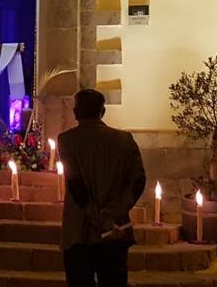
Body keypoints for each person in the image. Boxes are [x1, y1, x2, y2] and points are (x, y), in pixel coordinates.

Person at [58, 89, 146, 287]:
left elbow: (75, 183)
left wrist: (97, 216)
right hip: (116, 230)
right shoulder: (124, 140)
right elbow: (138, 182)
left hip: (79, 231)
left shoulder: (67, 140)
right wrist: (113, 214)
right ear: (102, 111)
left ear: (75, 112)